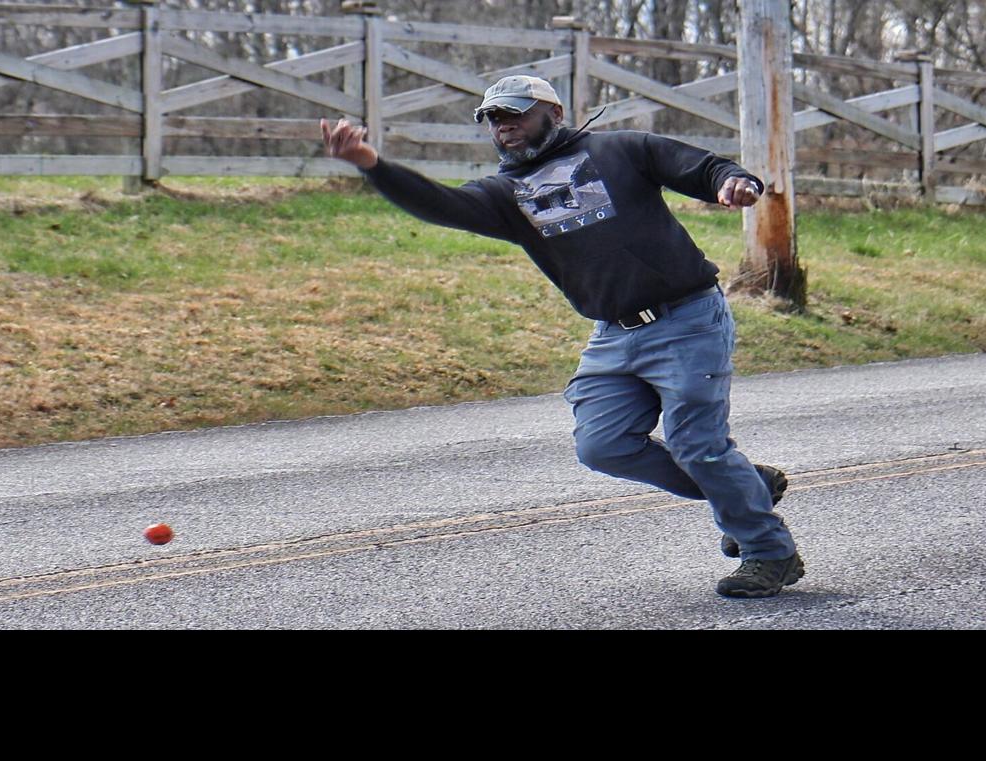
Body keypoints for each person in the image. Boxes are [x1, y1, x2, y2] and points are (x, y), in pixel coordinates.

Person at [320, 75, 802, 598]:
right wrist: (373, 165)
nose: (504, 126)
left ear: (553, 112)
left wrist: (735, 182)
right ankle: (745, 488)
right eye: (493, 119)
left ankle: (768, 552)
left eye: (515, 114)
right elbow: (438, 203)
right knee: (603, 446)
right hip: (613, 335)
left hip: (687, 319)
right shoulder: (506, 196)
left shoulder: (621, 150)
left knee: (696, 445)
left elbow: (704, 167)